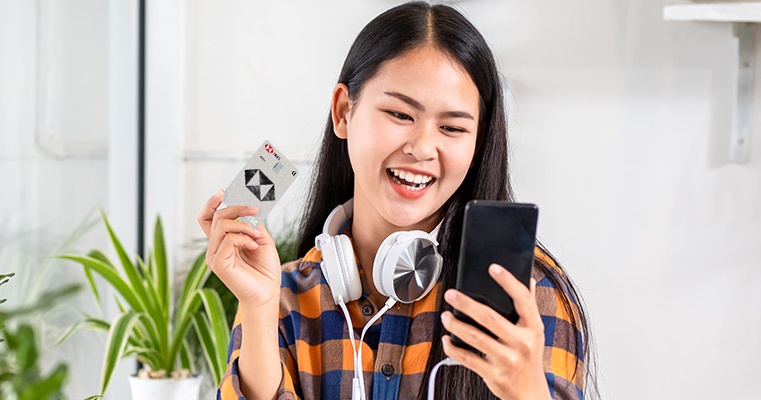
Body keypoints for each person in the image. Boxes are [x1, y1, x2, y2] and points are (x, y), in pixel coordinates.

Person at [197, 2, 595, 399]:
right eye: (401, 115)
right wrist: (258, 304)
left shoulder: (523, 295)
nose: (423, 148)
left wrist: (527, 392)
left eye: (453, 127)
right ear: (343, 112)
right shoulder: (281, 299)